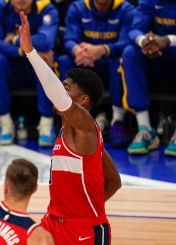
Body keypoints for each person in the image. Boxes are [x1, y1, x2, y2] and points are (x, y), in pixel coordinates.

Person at [19, 11, 122, 245]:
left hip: (84, 231)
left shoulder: (86, 127)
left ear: (83, 100)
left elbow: (54, 93)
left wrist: (31, 52)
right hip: (53, 222)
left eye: (67, 87)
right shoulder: (67, 130)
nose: (61, 91)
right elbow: (114, 181)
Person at [58, 0, 136, 147]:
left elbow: (127, 40)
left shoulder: (125, 9)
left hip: (109, 63)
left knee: (120, 60)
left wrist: (103, 49)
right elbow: (69, 39)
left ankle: (117, 122)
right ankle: (70, 120)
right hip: (85, 62)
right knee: (64, 60)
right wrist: (78, 50)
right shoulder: (78, 7)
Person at [0, 0, 59, 146]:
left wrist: (13, 39)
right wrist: (21, 50)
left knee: (45, 61)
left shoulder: (47, 8)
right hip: (12, 66)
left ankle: (46, 125)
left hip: (35, 68)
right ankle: (5, 124)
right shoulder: (0, 7)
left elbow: (46, 42)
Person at [121, 0, 176, 156]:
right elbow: (134, 30)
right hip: (157, 54)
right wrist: (145, 41)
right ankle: (145, 129)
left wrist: (167, 40)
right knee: (130, 53)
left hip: (170, 48)